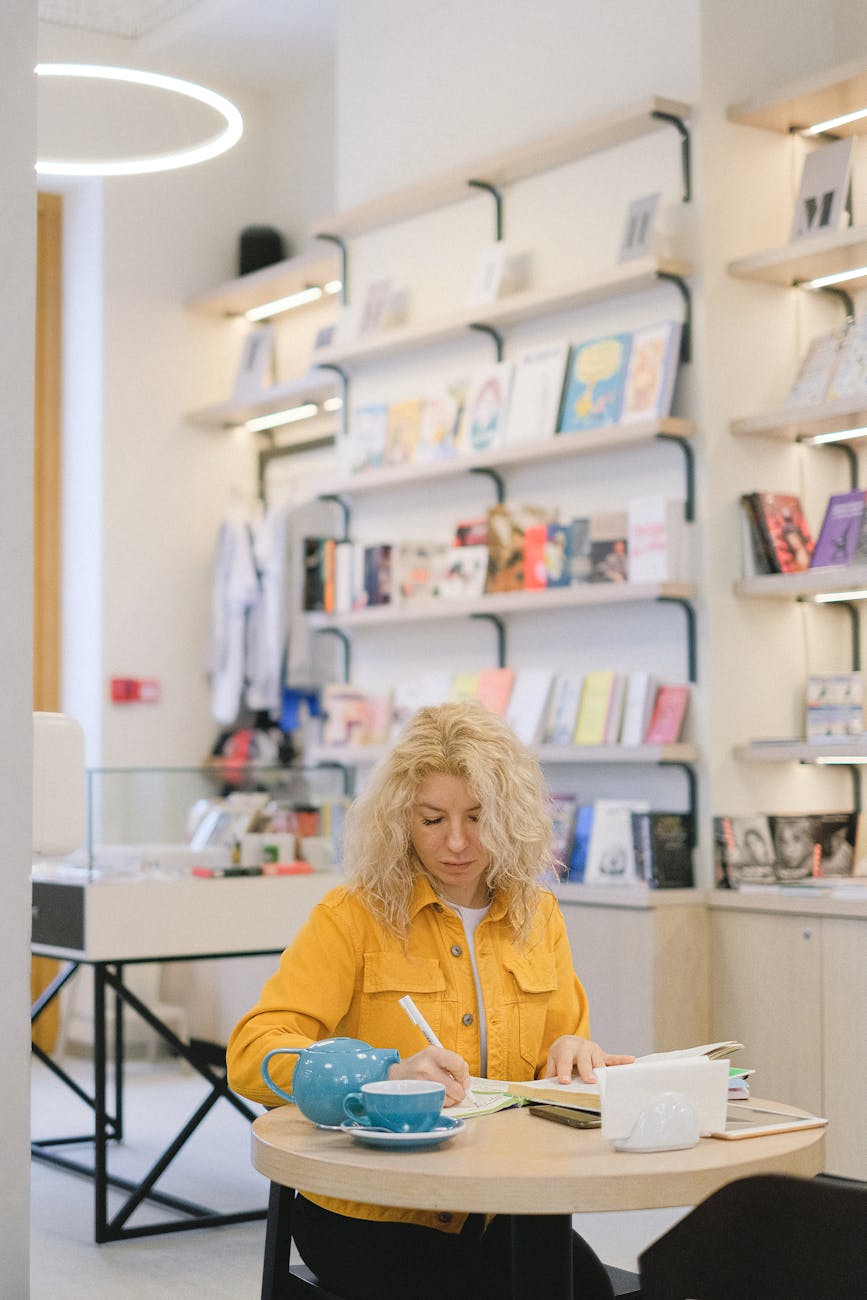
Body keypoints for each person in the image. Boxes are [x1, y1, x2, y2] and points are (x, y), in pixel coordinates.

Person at [227, 701, 633, 1300]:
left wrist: (573, 1051)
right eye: (433, 819)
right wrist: (382, 1074)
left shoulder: (538, 915)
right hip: (368, 1208)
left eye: (478, 816)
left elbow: (556, 1062)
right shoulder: (352, 917)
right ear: (401, 821)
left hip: (499, 1199)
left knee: (586, 1294)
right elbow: (251, 1053)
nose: (459, 842)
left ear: (510, 814)